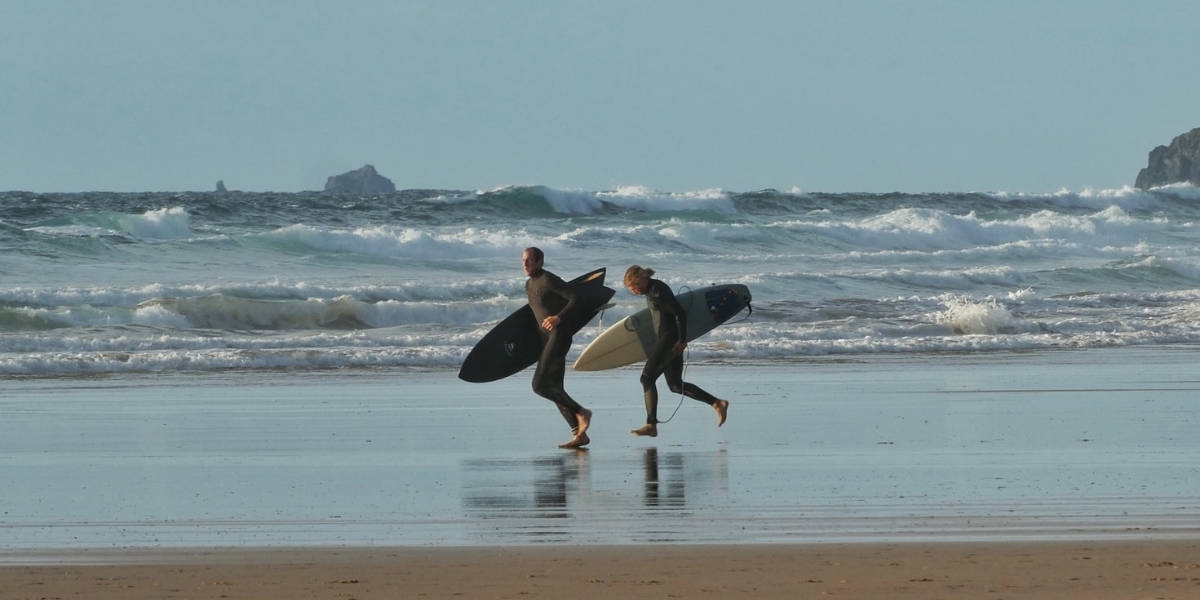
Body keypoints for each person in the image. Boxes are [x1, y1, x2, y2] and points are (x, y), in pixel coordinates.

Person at [623, 265, 728, 437]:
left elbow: (680, 313)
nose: (633, 291)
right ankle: (717, 403)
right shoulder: (652, 289)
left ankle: (651, 424)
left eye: (634, 287)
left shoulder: (657, 292)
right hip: (668, 339)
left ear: (641, 279)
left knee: (646, 378)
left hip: (670, 340)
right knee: (675, 385)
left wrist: (682, 340)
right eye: (631, 289)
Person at [523, 247, 592, 448]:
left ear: (540, 262)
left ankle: (581, 412)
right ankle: (579, 435)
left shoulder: (548, 280)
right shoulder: (529, 285)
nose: (525, 264)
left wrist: (557, 317)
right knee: (555, 388)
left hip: (559, 335)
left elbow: (576, 298)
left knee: (539, 385)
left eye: (529, 260)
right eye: (523, 260)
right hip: (546, 340)